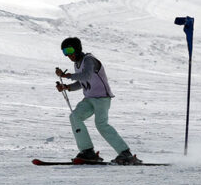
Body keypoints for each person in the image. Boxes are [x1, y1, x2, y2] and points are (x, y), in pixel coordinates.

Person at [54, 37, 140, 165]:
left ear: (77, 49)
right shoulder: (77, 64)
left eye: (70, 50)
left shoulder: (89, 60)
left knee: (101, 124)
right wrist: (67, 87)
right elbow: (82, 82)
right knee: (74, 117)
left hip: (102, 98)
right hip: (89, 99)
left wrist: (67, 76)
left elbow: (87, 75)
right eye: (65, 52)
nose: (68, 55)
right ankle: (87, 151)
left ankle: (125, 153)